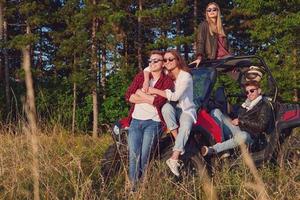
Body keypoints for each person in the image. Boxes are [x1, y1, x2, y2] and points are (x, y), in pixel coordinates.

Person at [125, 50, 174, 190]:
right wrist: (147, 96)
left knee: (145, 155)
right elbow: (129, 95)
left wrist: (140, 93)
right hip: (135, 121)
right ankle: (134, 188)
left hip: (154, 122)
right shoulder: (141, 77)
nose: (152, 63)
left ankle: (143, 184)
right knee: (134, 155)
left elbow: (159, 101)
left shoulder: (167, 81)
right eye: (150, 61)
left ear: (163, 63)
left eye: (156, 60)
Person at [146, 50, 197, 177]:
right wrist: (146, 80)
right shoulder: (167, 73)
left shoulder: (186, 76)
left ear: (177, 60)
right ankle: (178, 142)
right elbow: (148, 67)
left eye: (170, 59)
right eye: (165, 60)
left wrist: (154, 90)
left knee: (186, 125)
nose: (167, 62)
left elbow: (175, 97)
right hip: (173, 110)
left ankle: (174, 158)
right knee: (165, 108)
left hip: (185, 109)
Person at [201, 80, 272, 156]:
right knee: (216, 111)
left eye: (252, 91)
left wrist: (241, 121)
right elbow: (236, 114)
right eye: (247, 92)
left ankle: (215, 149)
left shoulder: (264, 105)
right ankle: (224, 148)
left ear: (259, 90)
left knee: (243, 136)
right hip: (238, 129)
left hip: (251, 136)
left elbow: (261, 126)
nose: (249, 94)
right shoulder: (246, 104)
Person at [190, 2, 230, 67]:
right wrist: (199, 57)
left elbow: (228, 46)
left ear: (218, 11)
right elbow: (200, 41)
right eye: (209, 10)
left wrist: (233, 57)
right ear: (207, 13)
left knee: (244, 64)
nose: (211, 11)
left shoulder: (222, 28)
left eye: (214, 9)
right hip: (214, 59)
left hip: (226, 58)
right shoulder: (204, 25)